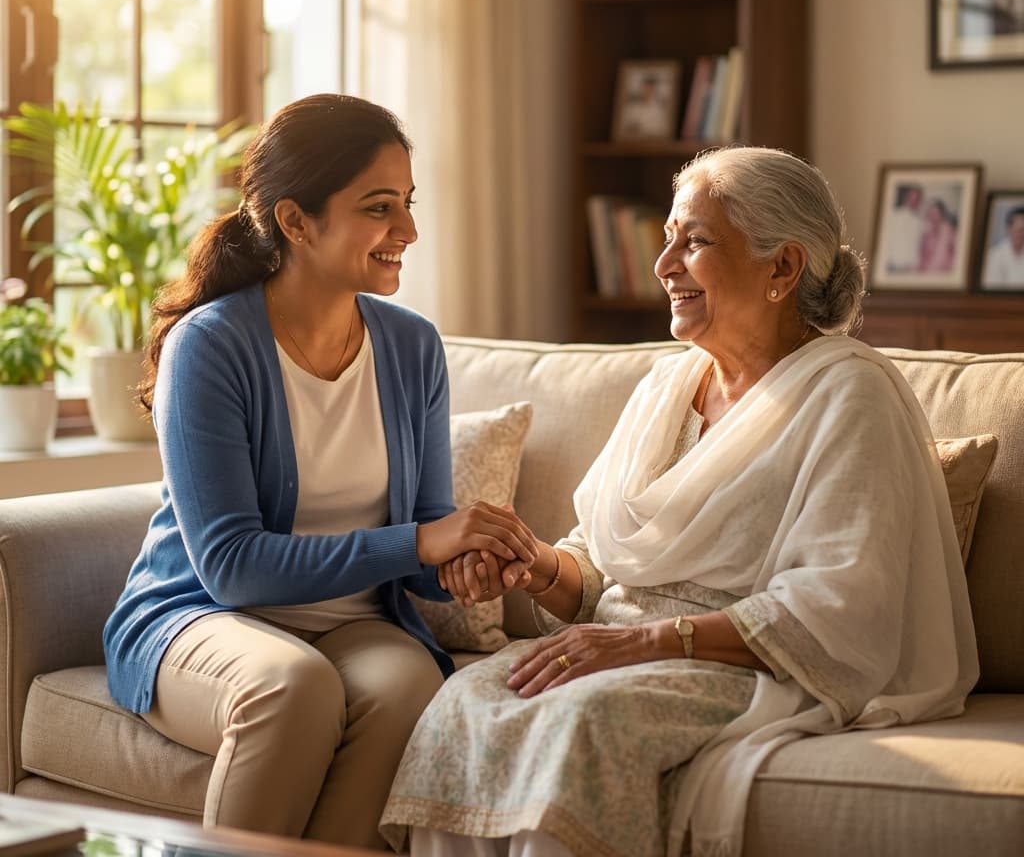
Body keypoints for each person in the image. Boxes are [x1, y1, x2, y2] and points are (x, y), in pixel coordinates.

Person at [380, 146, 979, 857]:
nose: (663, 264)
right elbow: (599, 570)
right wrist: (534, 566)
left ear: (781, 268)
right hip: (624, 654)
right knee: (467, 699)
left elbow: (840, 604)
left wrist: (640, 642)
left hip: (746, 666)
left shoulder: (851, 394)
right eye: (668, 237)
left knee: (583, 720)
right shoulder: (665, 390)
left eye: (693, 241)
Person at [102, 93, 539, 850]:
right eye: (378, 207)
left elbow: (424, 542)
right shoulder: (211, 347)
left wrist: (465, 564)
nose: (407, 231)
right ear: (295, 222)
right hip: (205, 620)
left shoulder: (411, 347)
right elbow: (233, 568)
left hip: (357, 627)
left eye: (406, 203)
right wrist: (425, 543)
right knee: (292, 687)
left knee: (409, 684)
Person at [885, 183, 924, 273]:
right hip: (894, 265)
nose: (914, 200)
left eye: (917, 198)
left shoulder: (919, 221)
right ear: (906, 197)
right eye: (912, 197)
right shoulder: (894, 215)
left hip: (911, 268)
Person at [982, 205, 1024, 288]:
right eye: (1019, 230)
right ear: (1009, 228)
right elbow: (991, 287)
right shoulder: (994, 255)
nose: (1021, 234)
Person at [917, 198, 958, 273]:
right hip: (928, 274)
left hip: (943, 274)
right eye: (930, 214)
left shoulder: (949, 231)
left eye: (935, 214)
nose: (932, 217)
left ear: (942, 215)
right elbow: (922, 258)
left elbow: (945, 257)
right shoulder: (927, 235)